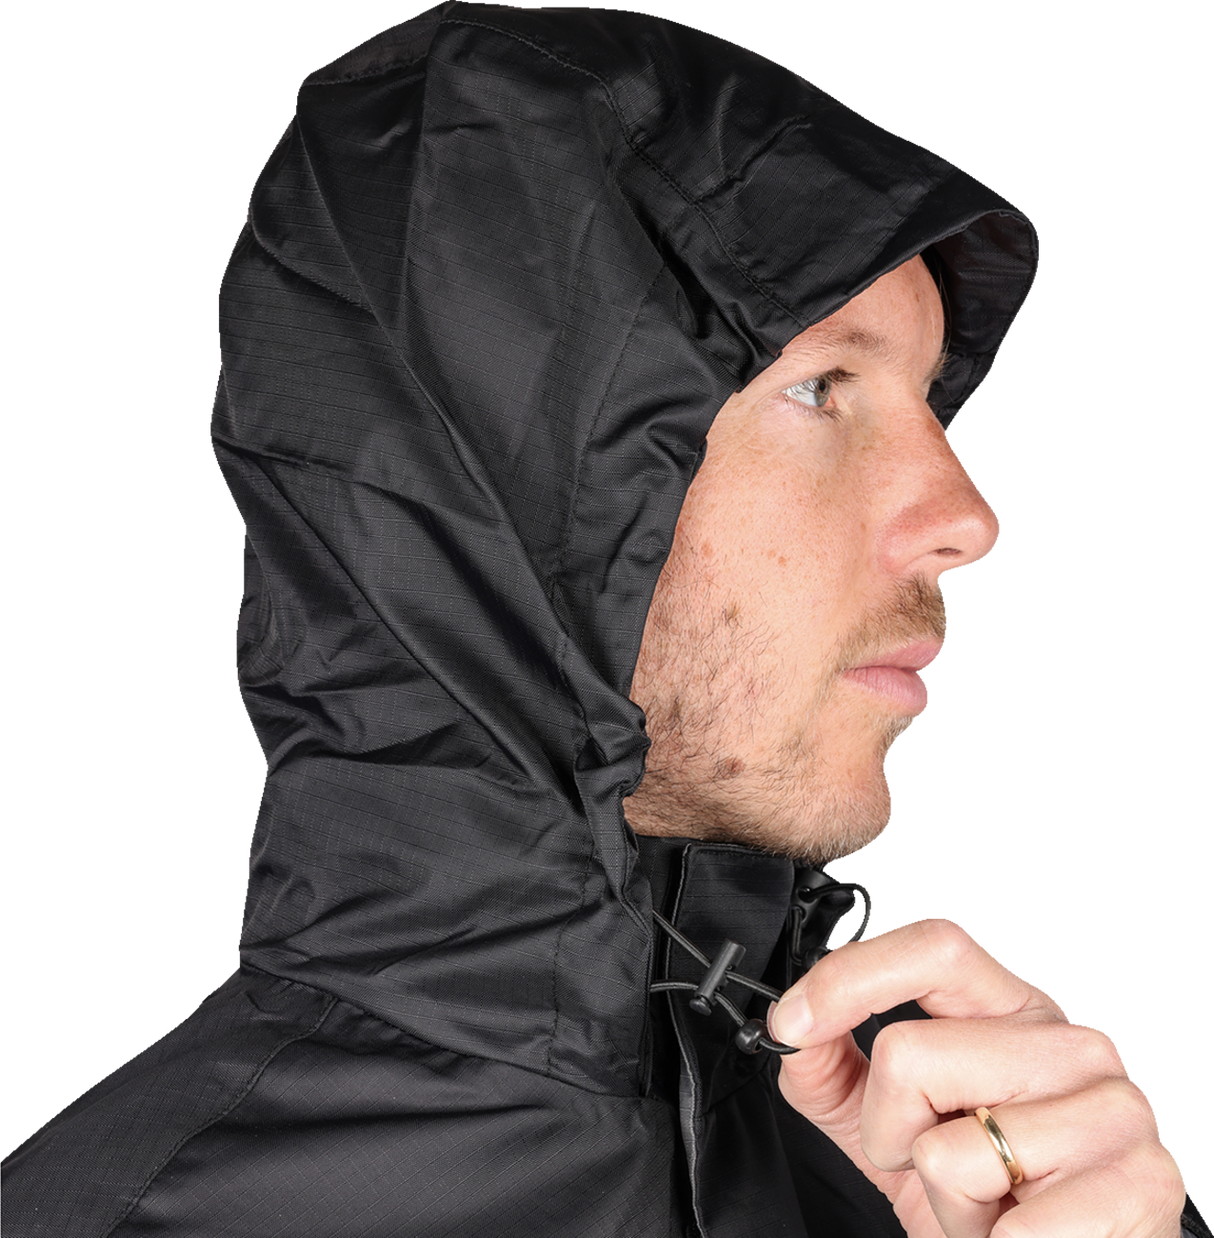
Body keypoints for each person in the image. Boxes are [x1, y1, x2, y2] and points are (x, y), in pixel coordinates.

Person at [4, 5, 1207, 1236]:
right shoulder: (151, 1216)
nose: (968, 517)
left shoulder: (972, 1159)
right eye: (818, 386)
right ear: (501, 483)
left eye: (931, 406)